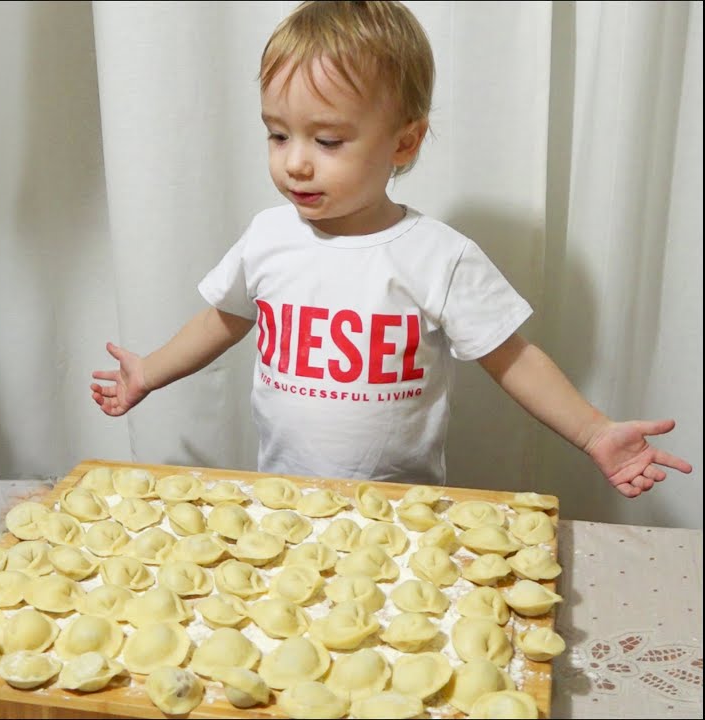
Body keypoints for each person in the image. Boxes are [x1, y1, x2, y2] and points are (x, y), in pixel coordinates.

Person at [90, 0, 692, 498]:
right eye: (277, 134)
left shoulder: (438, 257)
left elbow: (513, 358)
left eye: (327, 139)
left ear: (404, 143)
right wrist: (150, 371)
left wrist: (594, 433)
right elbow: (223, 318)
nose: (295, 160)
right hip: (283, 501)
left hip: (401, 512)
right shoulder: (269, 238)